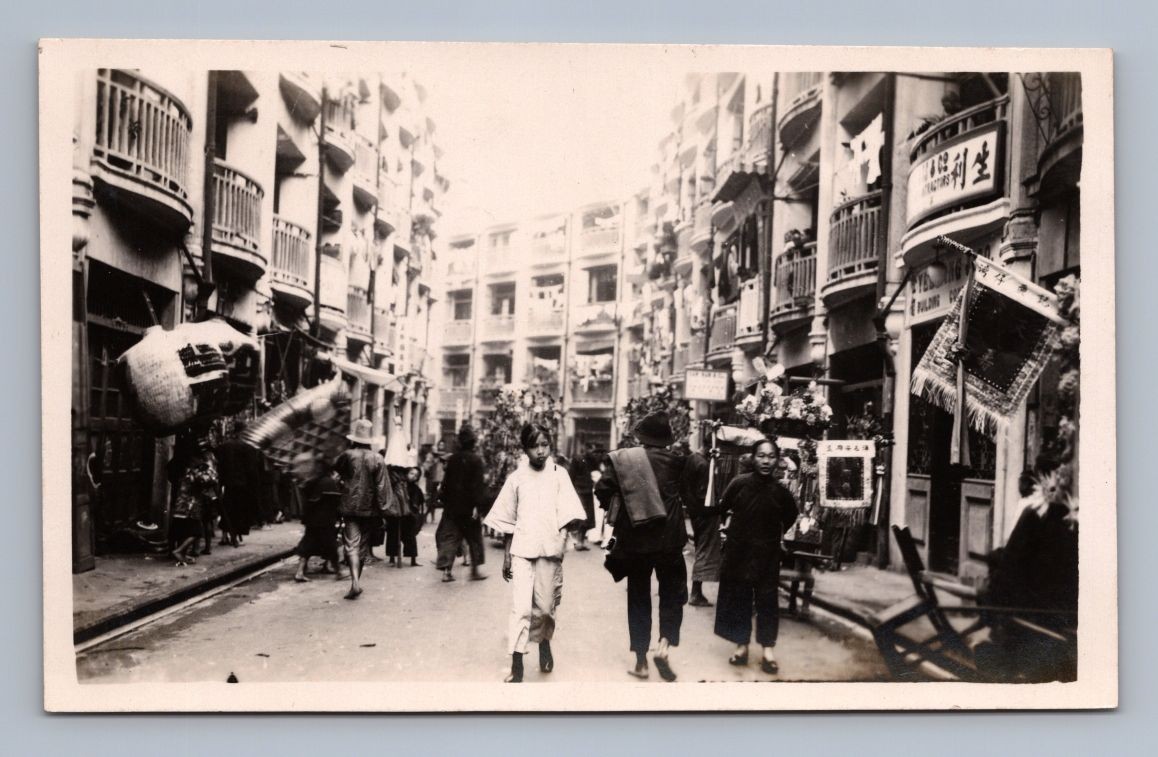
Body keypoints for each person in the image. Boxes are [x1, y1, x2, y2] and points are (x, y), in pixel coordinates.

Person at [595, 411, 708, 682]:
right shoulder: (679, 462)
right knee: (672, 594)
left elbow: (602, 490)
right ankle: (664, 646)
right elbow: (695, 493)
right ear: (667, 440)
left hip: (636, 539)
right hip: (669, 540)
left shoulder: (625, 459)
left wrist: (624, 502)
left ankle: (641, 662)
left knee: (638, 598)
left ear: (641, 438)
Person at [484, 424, 588, 683]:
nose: (541, 451)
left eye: (545, 445)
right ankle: (516, 663)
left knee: (545, 609)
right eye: (535, 445)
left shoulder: (559, 474)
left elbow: (569, 513)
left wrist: (562, 538)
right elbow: (508, 520)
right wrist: (507, 555)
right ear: (525, 448)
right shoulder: (516, 478)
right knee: (520, 608)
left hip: (549, 550)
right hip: (522, 550)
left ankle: (544, 643)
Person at [713, 439, 799, 675]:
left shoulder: (781, 491)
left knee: (767, 601)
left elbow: (791, 515)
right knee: (739, 598)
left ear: (777, 460)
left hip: (768, 554)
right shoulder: (739, 484)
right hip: (739, 551)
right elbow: (723, 507)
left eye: (771, 456)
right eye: (761, 455)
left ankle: (768, 651)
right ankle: (741, 646)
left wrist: (775, 536)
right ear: (753, 457)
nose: (765, 461)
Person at [333, 419, 388, 600]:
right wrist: (384, 509)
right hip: (370, 509)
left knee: (351, 545)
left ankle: (355, 582)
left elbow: (336, 474)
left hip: (349, 506)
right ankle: (355, 583)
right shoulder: (378, 458)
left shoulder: (347, 455)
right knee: (362, 546)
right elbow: (382, 487)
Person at [435, 424, 488, 582]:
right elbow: (478, 486)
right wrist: (479, 507)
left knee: (450, 539)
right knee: (474, 539)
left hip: (452, 507)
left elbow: (446, 483)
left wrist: (445, 501)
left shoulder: (453, 460)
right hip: (469, 508)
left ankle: (446, 572)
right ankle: (475, 571)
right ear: (473, 443)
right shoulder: (476, 460)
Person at [167, 432, 220, 567]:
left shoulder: (181, 461)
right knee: (196, 530)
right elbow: (205, 479)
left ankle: (181, 553)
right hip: (190, 503)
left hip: (181, 499)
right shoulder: (196, 465)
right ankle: (179, 551)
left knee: (181, 529)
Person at [292, 454, 344, 583]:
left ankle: (300, 572)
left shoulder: (311, 481)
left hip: (312, 519)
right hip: (325, 520)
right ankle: (339, 572)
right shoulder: (329, 482)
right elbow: (335, 501)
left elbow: (310, 500)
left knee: (307, 546)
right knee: (331, 545)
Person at [214, 423, 262, 547]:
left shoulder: (223, 447)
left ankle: (224, 536)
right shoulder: (248, 448)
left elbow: (219, 465)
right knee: (238, 512)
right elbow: (252, 470)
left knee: (227, 509)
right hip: (242, 485)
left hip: (227, 483)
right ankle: (233, 537)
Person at [385, 466, 423, 568]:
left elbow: (418, 501)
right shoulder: (398, 484)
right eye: (411, 473)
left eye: (416, 475)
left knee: (410, 537)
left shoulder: (415, 488)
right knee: (393, 535)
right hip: (396, 513)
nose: (413, 477)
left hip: (409, 515)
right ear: (406, 473)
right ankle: (392, 558)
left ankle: (413, 559)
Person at [567, 442, 596, 551]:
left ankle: (581, 541)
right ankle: (578, 542)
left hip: (586, 491)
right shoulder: (578, 459)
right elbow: (571, 476)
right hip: (579, 491)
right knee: (581, 517)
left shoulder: (590, 460)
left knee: (587, 517)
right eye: (591, 450)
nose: (592, 452)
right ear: (586, 449)